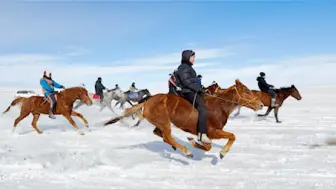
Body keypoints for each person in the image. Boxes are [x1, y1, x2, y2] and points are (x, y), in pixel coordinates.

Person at [176, 50, 211, 144]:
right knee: (203, 109)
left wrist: (201, 88)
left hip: (191, 90)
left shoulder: (187, 67)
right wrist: (198, 89)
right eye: (192, 57)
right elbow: (187, 82)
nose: (194, 59)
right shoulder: (183, 67)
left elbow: (192, 82)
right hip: (188, 92)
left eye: (194, 57)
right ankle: (202, 134)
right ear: (187, 57)